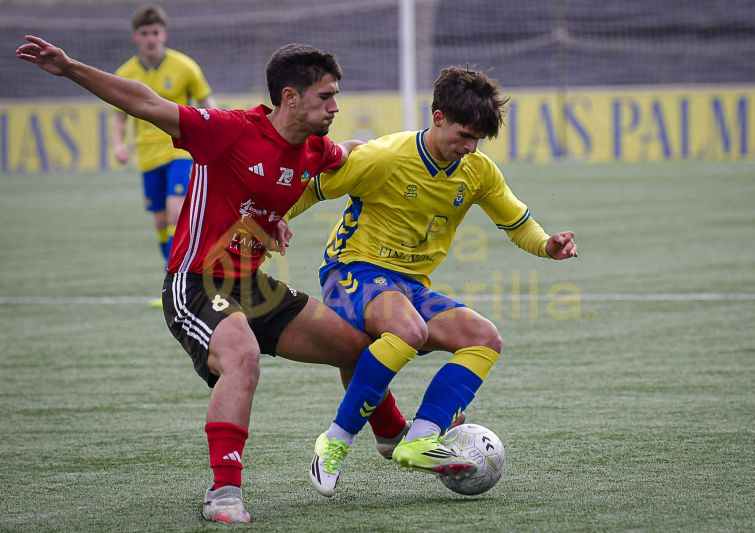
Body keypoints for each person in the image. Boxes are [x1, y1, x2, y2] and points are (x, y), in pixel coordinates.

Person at [16, 36, 411, 524]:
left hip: (249, 283)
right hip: (196, 282)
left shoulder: (314, 149)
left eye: (335, 95)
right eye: (325, 97)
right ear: (290, 97)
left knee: (356, 347)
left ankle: (392, 435)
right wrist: (72, 66)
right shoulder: (228, 131)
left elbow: (348, 153)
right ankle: (223, 493)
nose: (335, 106)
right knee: (241, 356)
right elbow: (145, 102)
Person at [284, 66, 578, 496]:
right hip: (351, 269)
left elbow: (517, 222)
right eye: (463, 134)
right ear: (438, 117)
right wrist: (269, 223)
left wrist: (547, 245)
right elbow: (312, 188)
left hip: (409, 286)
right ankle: (333, 443)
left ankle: (419, 438)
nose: (470, 146)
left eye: (478, 138)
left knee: (485, 338)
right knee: (407, 329)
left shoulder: (477, 170)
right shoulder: (383, 157)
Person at [112, 4, 217, 302]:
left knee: (175, 211)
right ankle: (170, 277)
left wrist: (217, 133)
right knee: (160, 222)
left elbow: (208, 102)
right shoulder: (126, 74)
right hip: (148, 156)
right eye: (145, 33)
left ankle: (182, 281)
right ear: (136, 37)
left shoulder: (184, 66)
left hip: (180, 151)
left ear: (164, 34)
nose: (150, 38)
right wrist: (119, 145)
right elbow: (119, 118)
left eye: (155, 32)